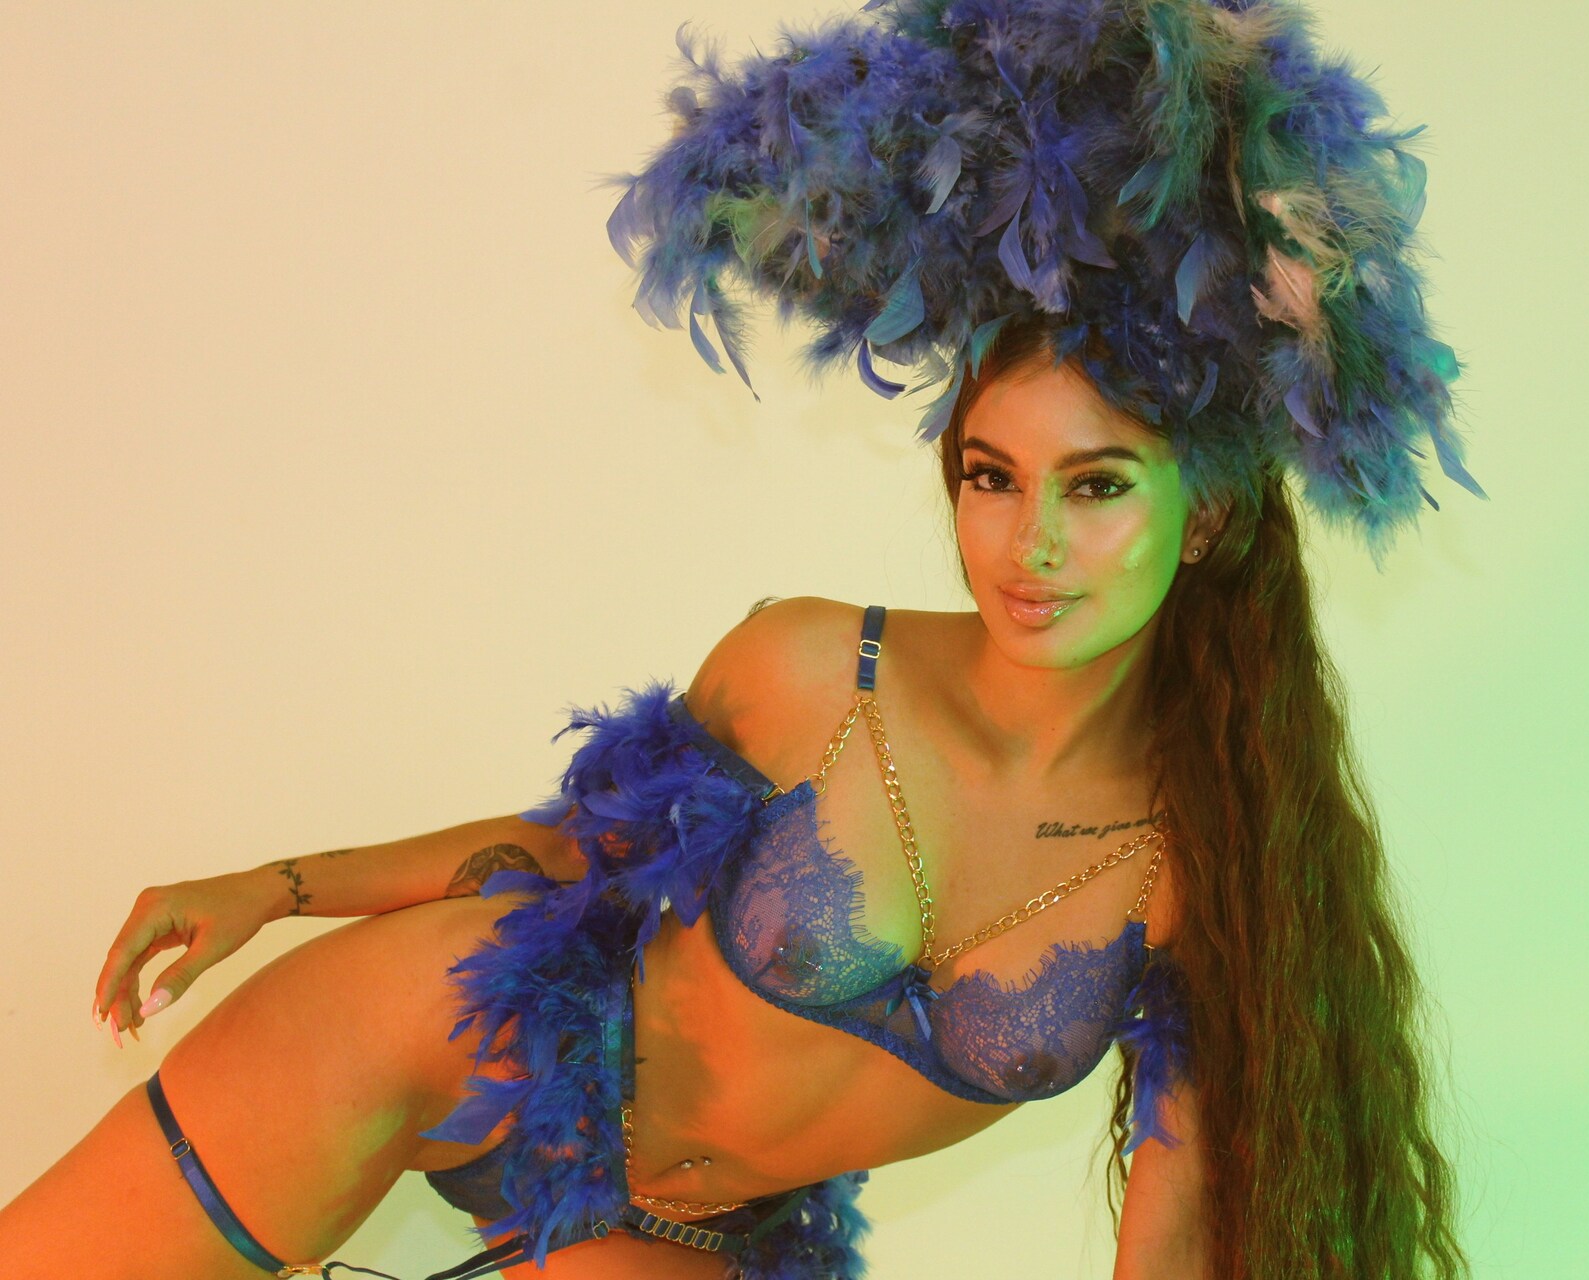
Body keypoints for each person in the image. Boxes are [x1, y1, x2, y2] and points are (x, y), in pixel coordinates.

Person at [0, 0, 1481, 1276]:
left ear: (1205, 517)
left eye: (1095, 489)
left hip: (687, 1233)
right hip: (441, 1043)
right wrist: (278, 889)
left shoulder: (1205, 862)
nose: (1029, 545)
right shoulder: (810, 671)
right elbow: (573, 853)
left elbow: (1174, 1231)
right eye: (991, 478)